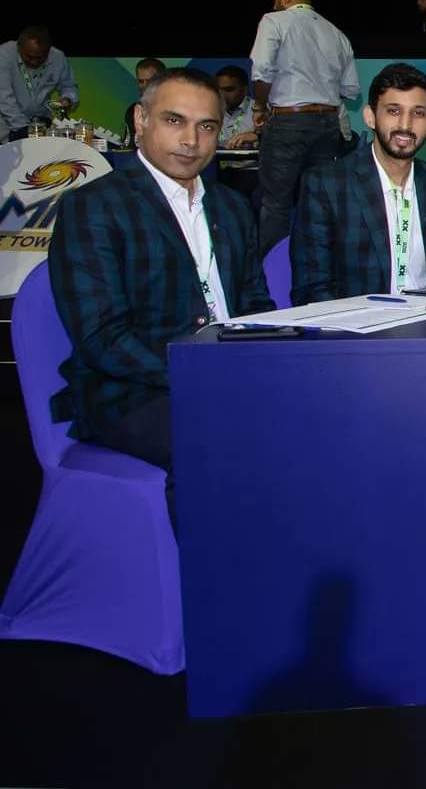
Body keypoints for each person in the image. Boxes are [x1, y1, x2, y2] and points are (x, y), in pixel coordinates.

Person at [47, 67, 273, 491]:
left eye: (207, 126)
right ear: (141, 120)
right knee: (217, 440)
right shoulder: (95, 207)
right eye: (174, 121)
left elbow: (255, 306)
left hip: (225, 375)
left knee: (323, 415)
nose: (191, 140)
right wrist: (200, 375)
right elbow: (103, 339)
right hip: (129, 390)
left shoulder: (233, 207)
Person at [291, 63, 426, 304]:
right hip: (356, 324)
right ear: (370, 117)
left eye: (418, 113)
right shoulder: (326, 184)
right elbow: (312, 287)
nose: (405, 125)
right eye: (393, 111)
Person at [249, 0, 361, 252]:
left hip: (288, 119)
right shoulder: (336, 32)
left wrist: (260, 106)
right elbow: (350, 89)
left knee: (276, 202)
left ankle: (270, 269)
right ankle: (315, 262)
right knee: (318, 200)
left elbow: (262, 71)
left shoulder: (274, 20)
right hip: (328, 124)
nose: (274, 5)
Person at [0, 25, 79, 139]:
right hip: (6, 126)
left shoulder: (58, 57)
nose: (34, 62)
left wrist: (68, 99)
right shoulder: (4, 54)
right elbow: (4, 98)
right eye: (29, 56)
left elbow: (68, 85)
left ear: (49, 50)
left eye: (40, 57)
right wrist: (25, 129)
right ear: (19, 47)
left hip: (41, 124)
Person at [122, 58, 167, 145]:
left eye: (149, 81)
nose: (144, 86)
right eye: (141, 81)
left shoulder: (174, 108)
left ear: (162, 81)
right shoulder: (132, 111)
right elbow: (129, 144)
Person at [215, 64, 258, 148]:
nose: (222, 94)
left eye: (228, 89)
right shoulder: (209, 110)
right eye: (218, 89)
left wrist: (258, 137)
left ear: (244, 90)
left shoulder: (259, 111)